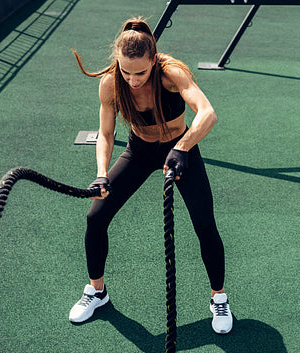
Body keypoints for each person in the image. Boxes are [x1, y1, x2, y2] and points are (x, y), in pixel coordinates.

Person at [68, 17, 232, 335]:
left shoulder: (171, 73)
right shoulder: (111, 83)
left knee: (204, 223)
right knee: (96, 217)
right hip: (139, 153)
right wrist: (101, 174)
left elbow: (207, 113)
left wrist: (182, 147)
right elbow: (105, 133)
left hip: (180, 152)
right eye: (125, 71)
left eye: (140, 72)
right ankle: (97, 292)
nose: (132, 80)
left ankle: (219, 297)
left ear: (153, 61)